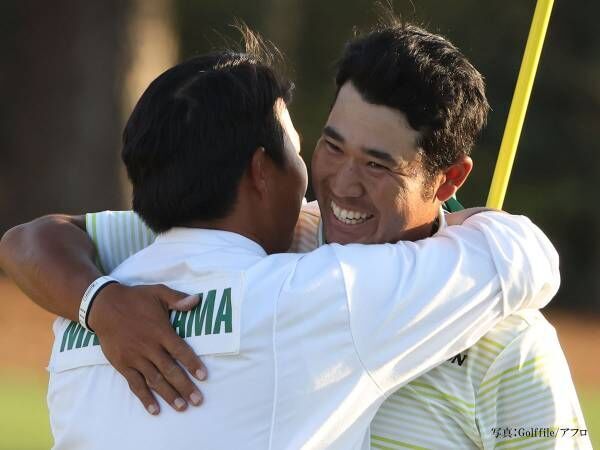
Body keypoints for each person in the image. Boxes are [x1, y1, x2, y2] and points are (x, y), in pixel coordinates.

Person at [0, 24, 580, 450]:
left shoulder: (511, 341)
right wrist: (100, 303)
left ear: (448, 179)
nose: (341, 186)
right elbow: (33, 239)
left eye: (377, 165)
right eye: (327, 147)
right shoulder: (291, 257)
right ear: (261, 172)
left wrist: (97, 304)